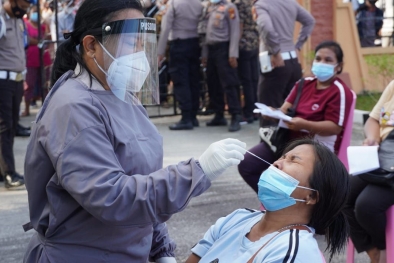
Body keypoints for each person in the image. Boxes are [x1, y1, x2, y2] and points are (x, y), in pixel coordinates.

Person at [22, 0, 247, 262]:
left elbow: (141, 179)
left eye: (143, 43)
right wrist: (197, 171)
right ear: (91, 45)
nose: (140, 52)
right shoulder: (73, 107)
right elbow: (112, 197)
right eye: (132, 42)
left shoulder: (122, 95)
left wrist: (161, 248)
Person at [186, 138, 350, 263]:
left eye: (293, 160)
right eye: (282, 157)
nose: (276, 164)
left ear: (311, 196)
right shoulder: (236, 218)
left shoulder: (293, 251)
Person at [238, 41, 354, 193]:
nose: (321, 63)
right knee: (247, 164)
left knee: (289, 175)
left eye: (328, 60)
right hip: (286, 141)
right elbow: (284, 110)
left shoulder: (339, 91)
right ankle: (276, 204)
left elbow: (334, 127)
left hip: (316, 148)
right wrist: (273, 114)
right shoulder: (303, 84)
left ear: (339, 66)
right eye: (318, 59)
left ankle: (292, 207)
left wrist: (304, 124)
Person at [344, 82, 394, 263]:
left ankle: (386, 251)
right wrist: (372, 138)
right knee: (341, 194)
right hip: (384, 154)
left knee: (366, 205)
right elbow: (373, 120)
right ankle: (375, 251)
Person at [253, 0, 315, 128]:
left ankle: (269, 145)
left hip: (275, 62)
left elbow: (266, 27)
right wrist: (297, 46)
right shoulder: (290, 2)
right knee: (292, 109)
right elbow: (310, 21)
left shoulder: (262, 4)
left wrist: (275, 51)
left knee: (269, 111)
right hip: (292, 61)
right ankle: (290, 144)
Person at [0, 0, 33, 189]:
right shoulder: (1, 19)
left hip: (17, 79)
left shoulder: (17, 20)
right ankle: (9, 173)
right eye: (23, 4)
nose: (26, 9)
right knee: (4, 129)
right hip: (3, 80)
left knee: (11, 127)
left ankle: (2, 169)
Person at [157, 0, 203, 130]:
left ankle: (186, 117)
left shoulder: (174, 4)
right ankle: (193, 116)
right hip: (195, 43)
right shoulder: (198, 4)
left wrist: (160, 51)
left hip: (178, 45)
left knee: (180, 81)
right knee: (193, 80)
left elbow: (166, 28)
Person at [201, 0, 242, 132]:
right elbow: (207, 34)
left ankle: (235, 115)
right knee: (213, 83)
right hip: (211, 49)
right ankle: (219, 115)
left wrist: (233, 54)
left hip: (224, 49)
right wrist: (205, 54)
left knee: (229, 84)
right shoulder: (211, 7)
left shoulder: (230, 8)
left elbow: (235, 32)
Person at [232, 0, 259, 124]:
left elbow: (239, 26)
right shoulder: (250, 2)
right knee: (253, 79)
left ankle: (248, 112)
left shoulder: (238, 3)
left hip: (244, 44)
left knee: (246, 80)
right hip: (254, 42)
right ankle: (254, 111)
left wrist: (233, 47)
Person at [22, 5, 52, 117]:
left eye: (37, 12)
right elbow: (28, 40)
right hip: (31, 59)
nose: (35, 14)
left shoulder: (43, 26)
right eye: (33, 12)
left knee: (45, 85)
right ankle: (27, 109)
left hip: (44, 59)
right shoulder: (26, 25)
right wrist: (40, 40)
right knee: (29, 85)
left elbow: (48, 38)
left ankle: (46, 109)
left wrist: (40, 39)